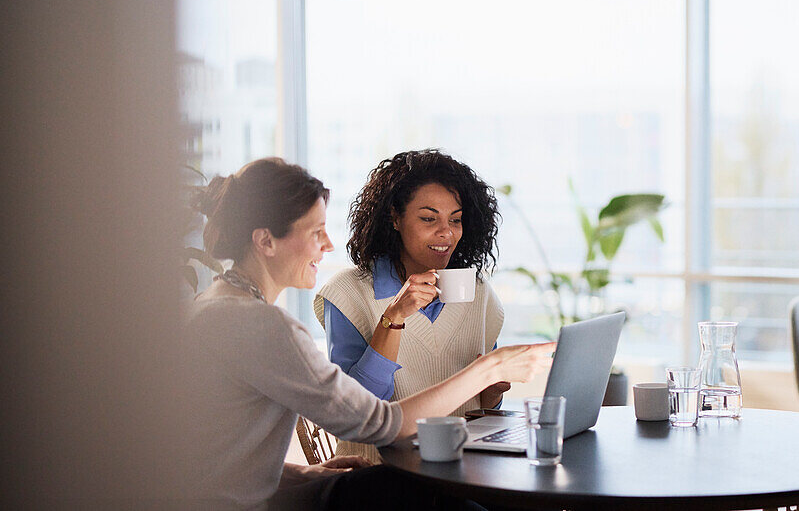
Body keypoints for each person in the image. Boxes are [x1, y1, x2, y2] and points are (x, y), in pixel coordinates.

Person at [182, 158, 554, 510]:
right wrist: (491, 367)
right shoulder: (263, 326)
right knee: (436, 498)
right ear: (265, 242)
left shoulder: (215, 304)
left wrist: (300, 473)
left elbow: (214, 457)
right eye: (316, 232)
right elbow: (380, 425)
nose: (328, 245)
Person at [313, 150, 507, 459]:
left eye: (455, 220)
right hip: (378, 476)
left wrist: (493, 392)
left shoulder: (479, 293)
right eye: (429, 219)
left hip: (463, 472)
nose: (446, 233)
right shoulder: (348, 293)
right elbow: (353, 412)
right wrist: (395, 316)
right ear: (395, 218)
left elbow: (483, 407)